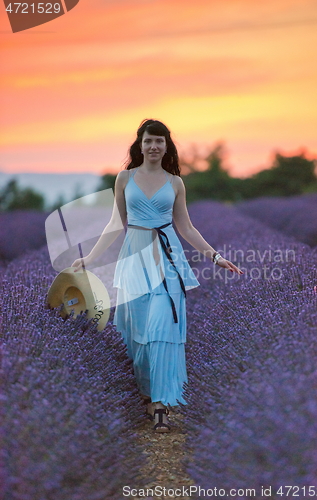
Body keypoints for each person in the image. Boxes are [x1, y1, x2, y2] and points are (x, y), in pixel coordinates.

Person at [71, 119, 243, 433]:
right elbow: (114, 224)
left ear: (167, 146)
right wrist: (91, 258)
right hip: (134, 258)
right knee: (138, 335)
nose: (154, 147)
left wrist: (215, 256)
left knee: (163, 327)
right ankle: (147, 396)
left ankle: (162, 405)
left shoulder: (176, 182)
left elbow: (186, 227)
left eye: (160, 142)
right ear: (140, 144)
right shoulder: (125, 178)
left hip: (168, 259)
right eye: (149, 141)